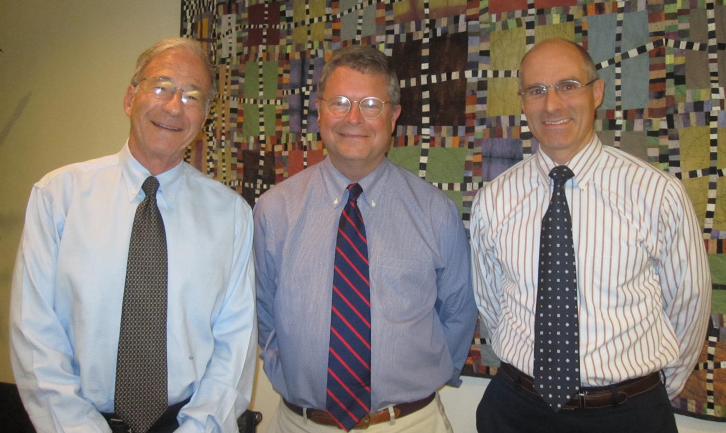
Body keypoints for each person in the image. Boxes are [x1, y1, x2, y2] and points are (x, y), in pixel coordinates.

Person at [10, 38, 257, 433]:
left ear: (205, 116)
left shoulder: (232, 215)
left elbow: (236, 344)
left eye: (193, 96)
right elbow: (35, 331)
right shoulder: (59, 195)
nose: (175, 106)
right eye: (161, 86)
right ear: (130, 97)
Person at [470, 38, 711, 432]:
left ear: (596, 92)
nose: (551, 105)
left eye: (568, 86)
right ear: (522, 101)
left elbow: (689, 302)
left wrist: (651, 388)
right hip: (517, 411)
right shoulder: (493, 200)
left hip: (628, 414)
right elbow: (492, 303)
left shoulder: (656, 192)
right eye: (536, 91)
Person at [254, 45, 477, 432]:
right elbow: (261, 313)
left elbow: (459, 313)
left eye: (371, 104)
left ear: (393, 117)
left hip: (409, 423)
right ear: (319, 111)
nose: (353, 118)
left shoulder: (435, 212)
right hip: (301, 424)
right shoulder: (273, 211)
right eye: (339, 102)